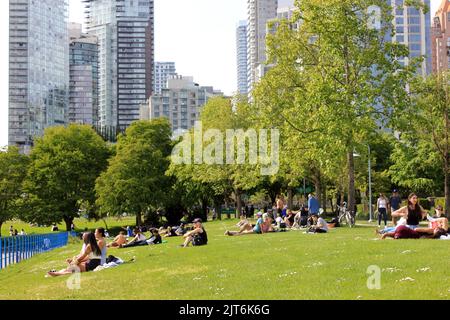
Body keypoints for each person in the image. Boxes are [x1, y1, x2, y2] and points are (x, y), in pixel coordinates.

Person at [381, 225, 447, 240]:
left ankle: (384, 236)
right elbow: (416, 229)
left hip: (405, 231)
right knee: (396, 238)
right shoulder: (431, 230)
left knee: (392, 235)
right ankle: (384, 235)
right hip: (408, 232)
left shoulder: (432, 234)